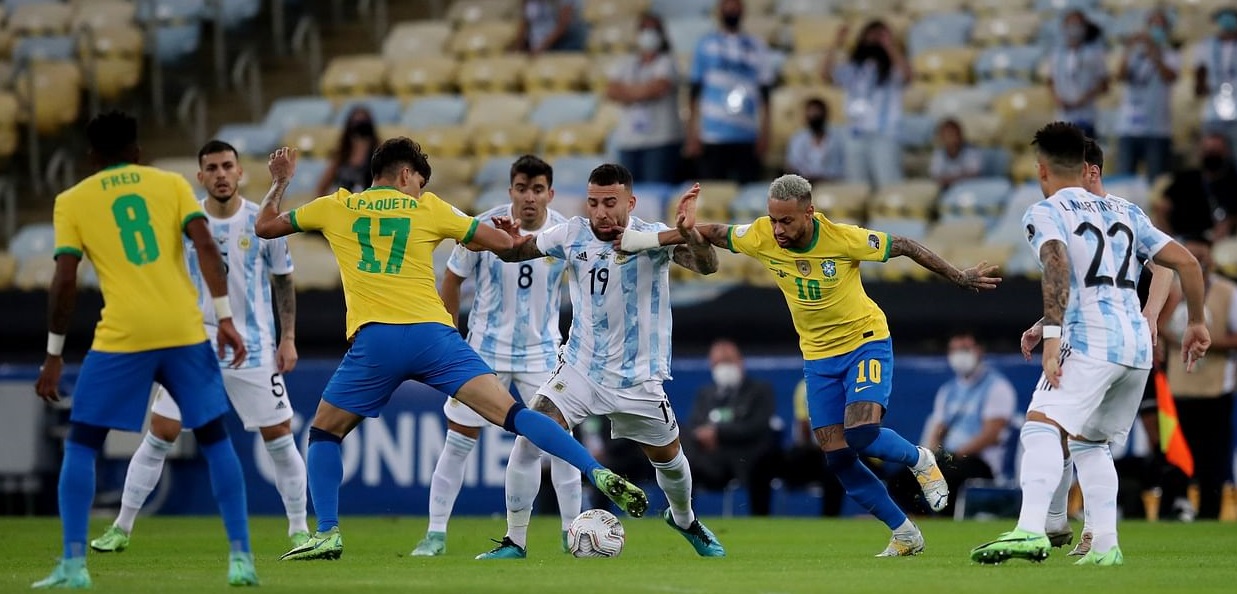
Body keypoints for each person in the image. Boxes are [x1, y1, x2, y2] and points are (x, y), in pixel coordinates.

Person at [254, 141, 649, 562]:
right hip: (434, 337)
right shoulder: (429, 209)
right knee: (517, 415)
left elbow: (265, 227)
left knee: (324, 433)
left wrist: (280, 182)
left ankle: (328, 532)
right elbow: (502, 242)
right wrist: (503, 236)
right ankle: (596, 470)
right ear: (406, 175)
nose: (419, 192)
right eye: (419, 183)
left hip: (376, 341)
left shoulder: (336, 206)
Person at [635, 173, 1001, 556]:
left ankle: (921, 459)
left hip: (864, 342)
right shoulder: (761, 235)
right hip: (818, 357)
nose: (778, 229)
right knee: (838, 458)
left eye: (786, 220)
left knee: (861, 434)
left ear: (809, 212)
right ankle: (905, 533)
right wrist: (651, 239)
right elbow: (713, 232)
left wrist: (958, 276)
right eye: (773, 219)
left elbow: (905, 245)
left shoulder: (843, 239)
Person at [33, 112, 258, 587]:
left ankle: (73, 565)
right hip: (183, 329)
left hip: (122, 335)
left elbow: (65, 279)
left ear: (91, 157)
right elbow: (206, 246)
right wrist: (224, 318)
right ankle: (242, 558)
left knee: (82, 444)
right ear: (137, 152)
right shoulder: (170, 184)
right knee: (215, 439)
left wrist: (54, 353)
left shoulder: (72, 201)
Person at [970, 122, 1209, 567]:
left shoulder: (1047, 211)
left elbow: (1057, 265)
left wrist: (1052, 338)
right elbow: (1188, 263)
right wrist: (1196, 321)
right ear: (1085, 167)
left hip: (1088, 340)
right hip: (1137, 347)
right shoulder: (1127, 211)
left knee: (1040, 425)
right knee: (1090, 444)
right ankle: (1105, 547)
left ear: (1042, 171)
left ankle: (1031, 530)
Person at [476, 165, 726, 559]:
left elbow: (708, 265)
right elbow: (520, 251)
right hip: (580, 370)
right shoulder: (571, 234)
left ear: (631, 202)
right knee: (529, 439)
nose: (601, 212)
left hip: (638, 379)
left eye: (610, 202)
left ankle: (685, 519)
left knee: (671, 462)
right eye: (594, 203)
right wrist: (506, 241)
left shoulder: (652, 237)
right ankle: (515, 541)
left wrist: (691, 233)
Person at [88, 140, 308, 555]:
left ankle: (299, 529)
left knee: (280, 437)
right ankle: (121, 527)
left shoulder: (261, 222)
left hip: (253, 346)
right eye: (213, 168)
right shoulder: (182, 222)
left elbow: (283, 279)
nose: (221, 174)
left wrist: (288, 337)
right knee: (160, 433)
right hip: (192, 344)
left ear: (240, 172)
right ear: (201, 176)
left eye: (227, 166)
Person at [410, 155, 580, 557]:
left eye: (537, 189)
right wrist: (449, 336)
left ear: (550, 193)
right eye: (522, 188)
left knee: (560, 444)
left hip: (541, 354)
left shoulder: (564, 233)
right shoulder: (484, 227)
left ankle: (572, 533)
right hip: (484, 353)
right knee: (458, 440)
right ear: (510, 191)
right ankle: (435, 534)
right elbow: (452, 278)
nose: (529, 197)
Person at [1021, 137, 1176, 556]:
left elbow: (1164, 267)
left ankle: (1054, 522)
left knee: (1052, 424)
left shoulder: (1102, 211)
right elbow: (1089, 287)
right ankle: (1090, 532)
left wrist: (1150, 314)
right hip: (1111, 338)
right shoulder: (1121, 213)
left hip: (1092, 340)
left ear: (1090, 171)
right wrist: (1044, 324)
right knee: (1083, 439)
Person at [1158, 236, 1237, 520]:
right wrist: (1177, 335)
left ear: (1211, 259)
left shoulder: (1228, 292)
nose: (1196, 263)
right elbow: (1157, 326)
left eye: (1201, 257)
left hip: (1215, 389)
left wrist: (1205, 342)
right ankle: (1171, 511)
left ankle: (1209, 515)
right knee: (1173, 455)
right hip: (1178, 389)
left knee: (1212, 459)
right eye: (1190, 256)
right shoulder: (1171, 290)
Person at [686, 0, 774, 184]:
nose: (731, 10)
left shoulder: (757, 46)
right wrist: (692, 133)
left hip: (747, 134)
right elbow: (694, 92)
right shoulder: (705, 45)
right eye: (727, 5)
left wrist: (765, 133)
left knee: (747, 192)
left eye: (735, 6)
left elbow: (765, 94)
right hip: (712, 135)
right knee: (714, 191)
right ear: (719, 10)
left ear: (742, 10)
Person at [684, 339, 777, 502]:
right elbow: (695, 424)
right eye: (718, 363)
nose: (723, 367)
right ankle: (680, 512)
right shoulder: (705, 394)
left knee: (764, 461)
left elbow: (758, 426)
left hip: (746, 458)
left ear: (740, 362)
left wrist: (718, 433)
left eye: (728, 361)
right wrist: (703, 435)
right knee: (682, 450)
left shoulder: (759, 390)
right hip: (710, 460)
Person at [823, 20, 911, 190]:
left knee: (888, 187)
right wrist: (836, 43)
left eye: (879, 36)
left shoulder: (892, 69)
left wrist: (889, 46)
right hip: (855, 136)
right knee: (857, 189)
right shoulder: (853, 69)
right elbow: (825, 75)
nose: (874, 40)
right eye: (870, 35)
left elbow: (907, 76)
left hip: (885, 135)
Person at [747, 379, 847, 517]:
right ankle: (759, 518)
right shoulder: (805, 387)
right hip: (811, 453)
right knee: (763, 462)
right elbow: (803, 426)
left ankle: (830, 519)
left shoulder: (847, 386)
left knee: (836, 464)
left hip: (839, 451)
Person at [606, 12, 683, 184]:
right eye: (644, 29)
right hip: (629, 141)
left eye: (653, 30)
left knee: (656, 191)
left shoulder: (667, 62)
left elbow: (659, 88)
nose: (648, 34)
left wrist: (627, 93)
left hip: (660, 141)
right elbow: (611, 91)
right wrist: (644, 90)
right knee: (628, 193)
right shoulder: (626, 63)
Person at [1113, 9, 1179, 180]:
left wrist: (1154, 53)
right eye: (1154, 24)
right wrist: (1128, 48)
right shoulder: (1134, 54)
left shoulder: (1171, 54)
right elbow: (1120, 76)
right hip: (1128, 127)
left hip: (1157, 129)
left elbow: (1170, 76)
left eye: (1161, 25)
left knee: (1156, 180)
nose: (1157, 28)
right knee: (1124, 179)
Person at [1154, 133, 1237, 238]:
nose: (1212, 155)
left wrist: (1229, 223)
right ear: (1200, 152)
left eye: (1216, 151)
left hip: (1221, 241)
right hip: (1183, 239)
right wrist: (1170, 240)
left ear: (1226, 152)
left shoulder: (1232, 182)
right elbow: (1162, 208)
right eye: (1208, 151)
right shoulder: (1186, 179)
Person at [1046, 10, 1109, 139]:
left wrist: (1084, 99)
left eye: (1077, 25)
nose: (1074, 29)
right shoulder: (1056, 54)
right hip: (1063, 118)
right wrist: (1058, 99)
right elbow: (1050, 80)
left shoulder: (1094, 53)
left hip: (1086, 117)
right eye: (1071, 24)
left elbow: (1104, 83)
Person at [1193, 7, 1237, 158]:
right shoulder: (1206, 45)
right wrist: (1202, 87)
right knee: (1213, 158)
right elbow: (1199, 77)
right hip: (1213, 113)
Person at [314, 106, 379, 196]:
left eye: (364, 128)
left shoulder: (379, 158)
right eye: (356, 128)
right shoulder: (340, 157)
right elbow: (321, 188)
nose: (360, 134)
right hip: (344, 202)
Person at [784, 98, 845, 183]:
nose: (814, 116)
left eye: (817, 113)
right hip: (805, 183)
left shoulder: (837, 138)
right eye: (811, 113)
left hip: (832, 183)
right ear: (806, 115)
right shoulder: (798, 139)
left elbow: (843, 165)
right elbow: (792, 165)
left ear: (825, 114)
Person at [929, 118, 984, 190]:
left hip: (969, 189)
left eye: (952, 134)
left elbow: (973, 175)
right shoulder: (939, 153)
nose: (950, 138)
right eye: (946, 135)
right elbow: (936, 177)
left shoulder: (972, 151)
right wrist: (954, 179)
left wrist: (950, 180)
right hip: (946, 190)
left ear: (960, 135)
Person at [514, 0, 586, 54]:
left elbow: (563, 24)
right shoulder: (528, 3)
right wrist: (518, 47)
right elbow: (525, 21)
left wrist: (542, 47)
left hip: (561, 44)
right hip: (536, 43)